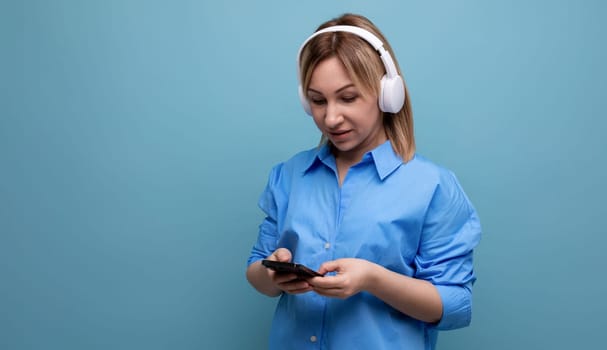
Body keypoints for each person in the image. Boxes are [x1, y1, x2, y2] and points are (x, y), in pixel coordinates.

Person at [246, 13, 481, 350]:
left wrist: (373, 279)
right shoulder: (288, 176)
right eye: (317, 100)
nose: (330, 117)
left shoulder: (433, 186)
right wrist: (272, 275)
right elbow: (256, 269)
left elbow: (456, 305)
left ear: (388, 94)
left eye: (348, 97)